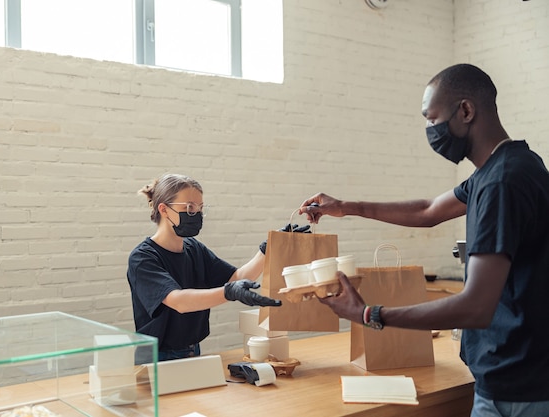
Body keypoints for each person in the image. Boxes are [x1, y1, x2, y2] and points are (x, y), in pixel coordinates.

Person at [299, 64, 549, 417]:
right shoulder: (507, 167)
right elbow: (428, 210)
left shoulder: (501, 183)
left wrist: (369, 313)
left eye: (432, 120)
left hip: (516, 390)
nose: (430, 131)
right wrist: (344, 207)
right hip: (517, 378)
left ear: (466, 110)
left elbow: (475, 307)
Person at [127, 173, 305, 362]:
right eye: (189, 207)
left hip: (192, 350)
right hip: (157, 357)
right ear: (163, 209)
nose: (196, 214)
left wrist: (267, 249)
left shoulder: (194, 249)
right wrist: (228, 293)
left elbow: (236, 278)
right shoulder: (143, 259)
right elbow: (179, 301)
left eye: (200, 208)